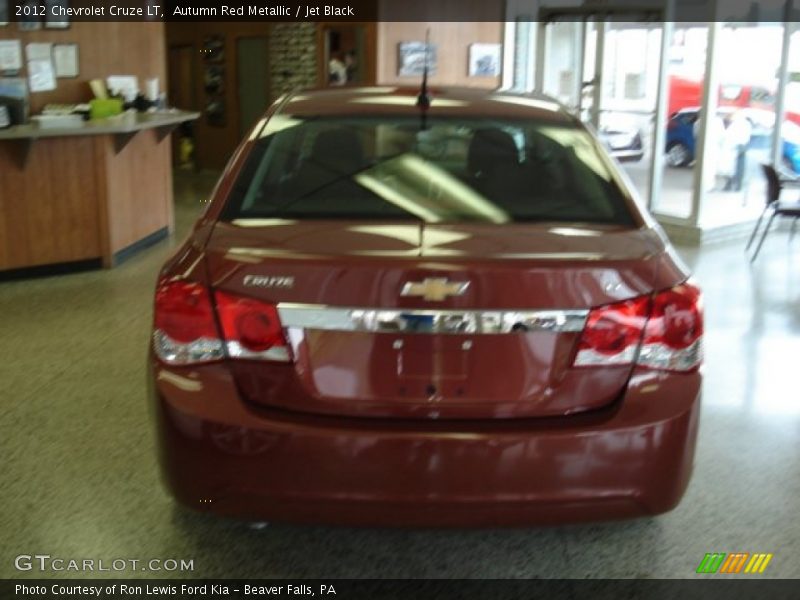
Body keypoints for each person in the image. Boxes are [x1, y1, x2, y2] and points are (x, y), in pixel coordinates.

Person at [723, 111, 752, 191]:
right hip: (742, 145)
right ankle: (737, 185)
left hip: (736, 146)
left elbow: (730, 135)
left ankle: (730, 185)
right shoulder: (746, 124)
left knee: (732, 166)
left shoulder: (737, 124)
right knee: (739, 167)